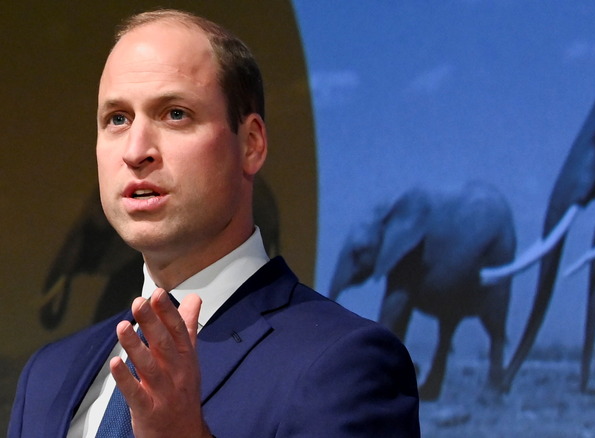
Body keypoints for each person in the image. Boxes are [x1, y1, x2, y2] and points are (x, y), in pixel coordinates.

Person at [8, 9, 420, 438]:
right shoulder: (48, 376)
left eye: (175, 114)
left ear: (251, 145)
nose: (136, 150)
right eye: (117, 119)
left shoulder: (346, 364)